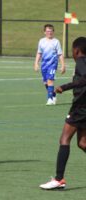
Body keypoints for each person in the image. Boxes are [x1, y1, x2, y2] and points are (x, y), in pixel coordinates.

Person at [39, 37, 86, 189]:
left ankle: (59, 179)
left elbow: (84, 79)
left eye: (72, 50)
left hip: (80, 108)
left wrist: (64, 87)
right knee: (83, 143)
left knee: (64, 139)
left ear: (76, 50)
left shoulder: (80, 61)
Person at [34, 24, 66, 105]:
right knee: (46, 82)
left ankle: (50, 99)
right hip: (44, 65)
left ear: (53, 32)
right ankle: (53, 94)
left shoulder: (56, 42)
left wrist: (63, 65)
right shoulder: (41, 41)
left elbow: (60, 54)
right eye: (48, 31)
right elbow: (39, 53)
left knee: (50, 80)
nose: (49, 33)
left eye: (51, 31)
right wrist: (36, 63)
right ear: (44, 32)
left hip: (52, 64)